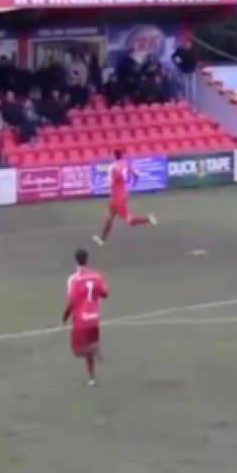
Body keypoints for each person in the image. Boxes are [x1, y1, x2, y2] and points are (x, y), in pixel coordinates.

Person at [62, 248, 109, 386]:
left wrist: (64, 318)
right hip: (94, 318)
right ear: (87, 259)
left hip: (80, 320)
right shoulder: (96, 276)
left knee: (77, 351)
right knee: (89, 347)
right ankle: (92, 377)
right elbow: (105, 294)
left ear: (75, 260)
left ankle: (94, 351)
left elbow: (71, 302)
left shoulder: (73, 279)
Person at [93, 149, 157, 246]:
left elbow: (110, 183)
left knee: (129, 220)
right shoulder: (126, 164)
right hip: (121, 194)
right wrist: (134, 183)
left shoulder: (112, 167)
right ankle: (102, 240)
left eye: (111, 154)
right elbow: (136, 175)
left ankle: (148, 218)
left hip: (117, 196)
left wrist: (105, 185)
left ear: (114, 156)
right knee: (108, 218)